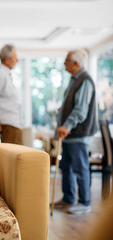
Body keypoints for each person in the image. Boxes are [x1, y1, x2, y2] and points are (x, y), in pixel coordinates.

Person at [55, 49, 98, 214]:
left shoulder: (85, 80)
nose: (64, 63)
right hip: (70, 135)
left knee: (80, 168)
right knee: (66, 167)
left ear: (76, 63)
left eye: (67, 60)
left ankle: (85, 202)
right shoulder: (74, 80)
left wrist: (67, 125)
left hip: (78, 133)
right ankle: (68, 199)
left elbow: (81, 110)